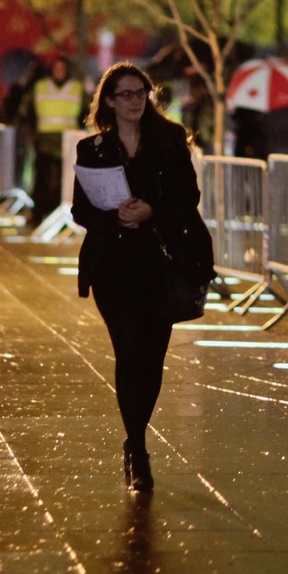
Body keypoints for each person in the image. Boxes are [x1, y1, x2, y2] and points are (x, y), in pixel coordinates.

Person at [70, 62, 201, 493]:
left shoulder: (168, 141)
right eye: (125, 94)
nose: (134, 101)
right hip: (113, 264)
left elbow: (188, 197)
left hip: (160, 261)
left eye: (140, 92)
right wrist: (115, 217)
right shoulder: (93, 150)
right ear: (108, 100)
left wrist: (151, 211)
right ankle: (139, 449)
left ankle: (134, 437)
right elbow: (81, 211)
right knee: (128, 351)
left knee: (152, 357)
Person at [26, 56, 86, 224]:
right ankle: (39, 214)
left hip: (68, 141)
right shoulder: (40, 87)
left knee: (63, 181)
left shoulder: (76, 87)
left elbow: (85, 112)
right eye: (56, 68)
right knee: (42, 179)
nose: (59, 72)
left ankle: (60, 214)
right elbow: (28, 111)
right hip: (45, 140)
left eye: (62, 68)